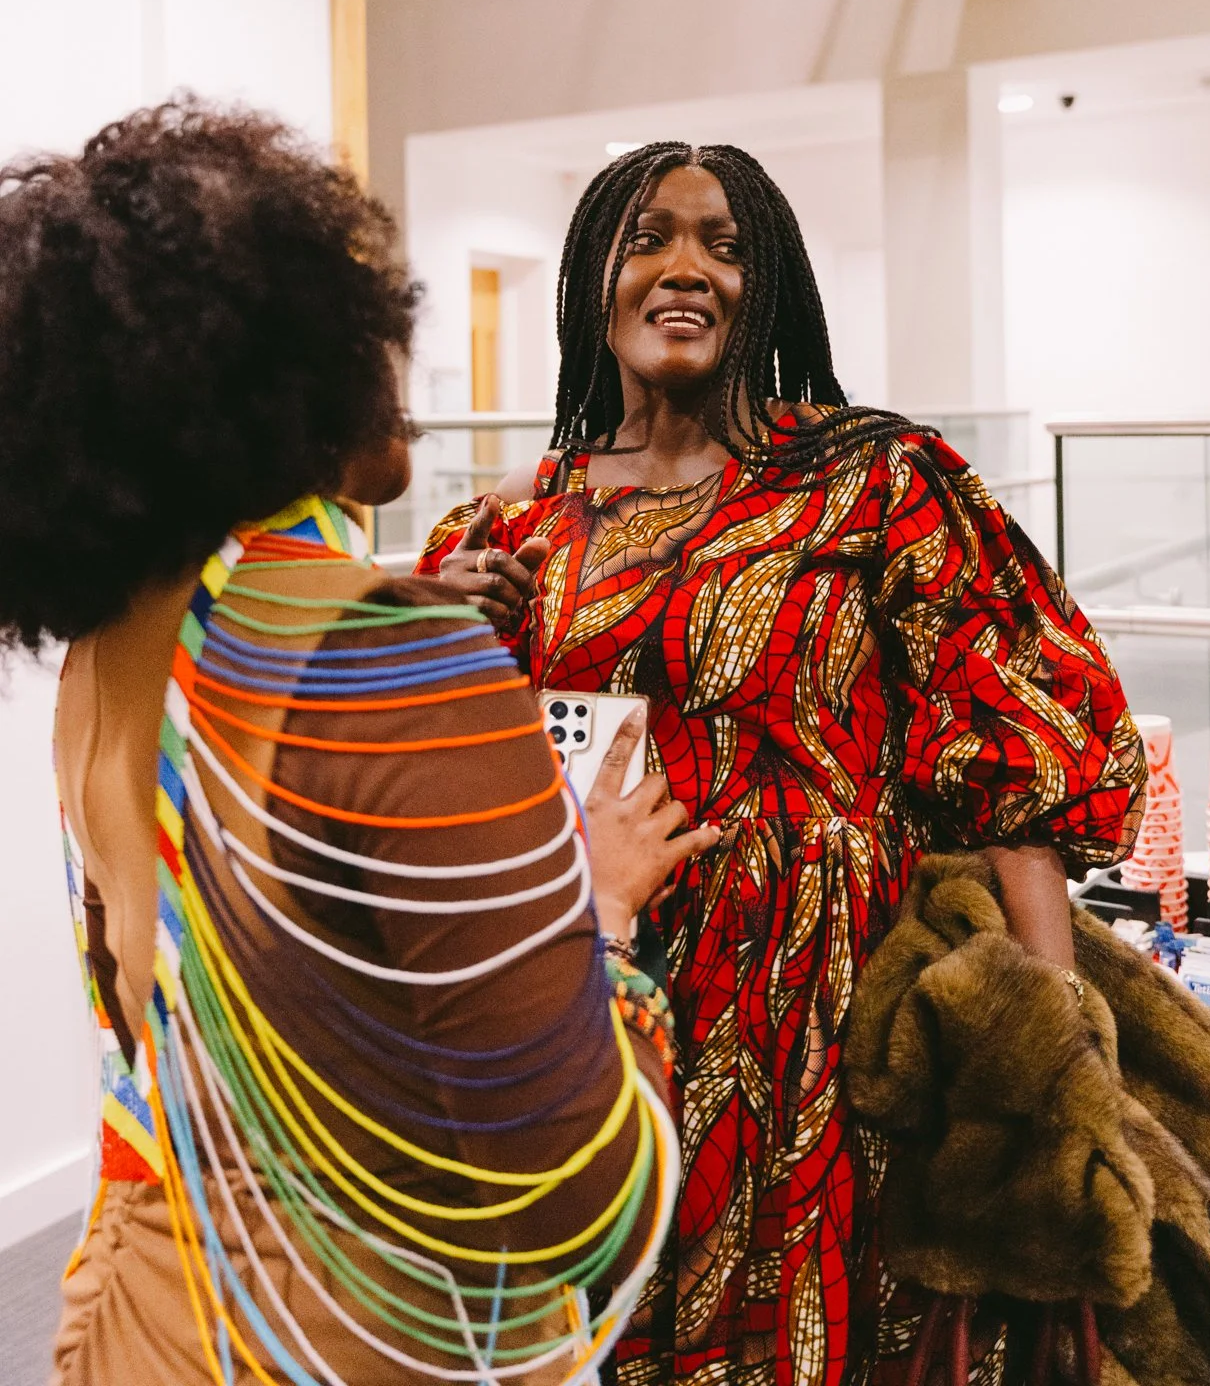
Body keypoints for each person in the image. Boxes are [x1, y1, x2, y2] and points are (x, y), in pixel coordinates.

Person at [0, 100, 718, 1386]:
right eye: (369, 323)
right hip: (363, 1335)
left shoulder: (120, 641)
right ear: (273, 365)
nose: (399, 358)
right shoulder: (382, 658)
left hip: (144, 1312)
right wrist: (601, 907)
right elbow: (583, 1198)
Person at [417, 141, 1148, 1386]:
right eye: (647, 235)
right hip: (615, 997)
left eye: (726, 243)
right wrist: (431, 624)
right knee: (621, 1328)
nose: (683, 266)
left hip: (830, 1012)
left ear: (775, 289)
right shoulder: (517, 520)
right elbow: (471, 783)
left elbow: (1017, 767)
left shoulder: (874, 480)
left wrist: (1052, 1072)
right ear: (595, 275)